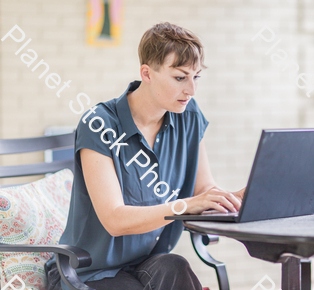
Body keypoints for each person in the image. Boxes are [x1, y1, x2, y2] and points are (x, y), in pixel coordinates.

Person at [46, 22, 246, 290]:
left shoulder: (189, 116)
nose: (191, 90)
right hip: (89, 271)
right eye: (180, 77)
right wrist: (185, 205)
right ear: (147, 73)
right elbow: (114, 220)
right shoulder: (99, 124)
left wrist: (234, 198)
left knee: (176, 265)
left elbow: (203, 188)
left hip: (145, 264)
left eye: (196, 77)